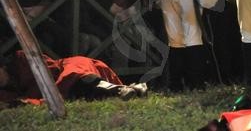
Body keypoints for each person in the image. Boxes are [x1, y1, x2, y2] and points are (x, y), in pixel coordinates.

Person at [0, 50, 146, 105]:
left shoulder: (21, 60)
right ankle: (130, 89)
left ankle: (120, 90)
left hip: (65, 71)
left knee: (75, 76)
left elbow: (51, 70)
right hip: (62, 91)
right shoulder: (4, 93)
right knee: (76, 92)